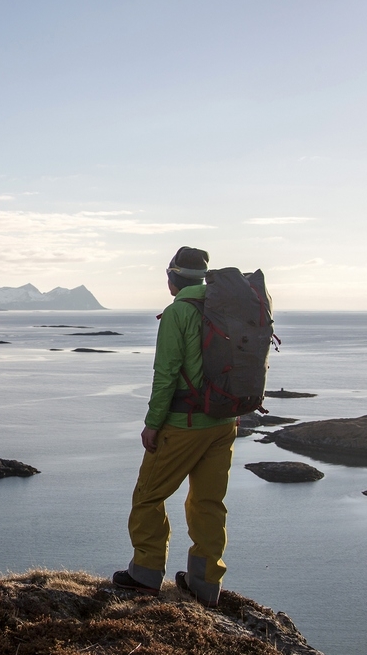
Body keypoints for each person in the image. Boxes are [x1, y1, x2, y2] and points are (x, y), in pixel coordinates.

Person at [112, 246, 237, 607]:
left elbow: (166, 376)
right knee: (209, 502)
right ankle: (205, 584)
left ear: (172, 279)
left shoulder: (178, 313)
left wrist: (153, 424)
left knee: (148, 495)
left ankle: (146, 574)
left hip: (185, 424)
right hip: (224, 421)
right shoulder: (224, 308)